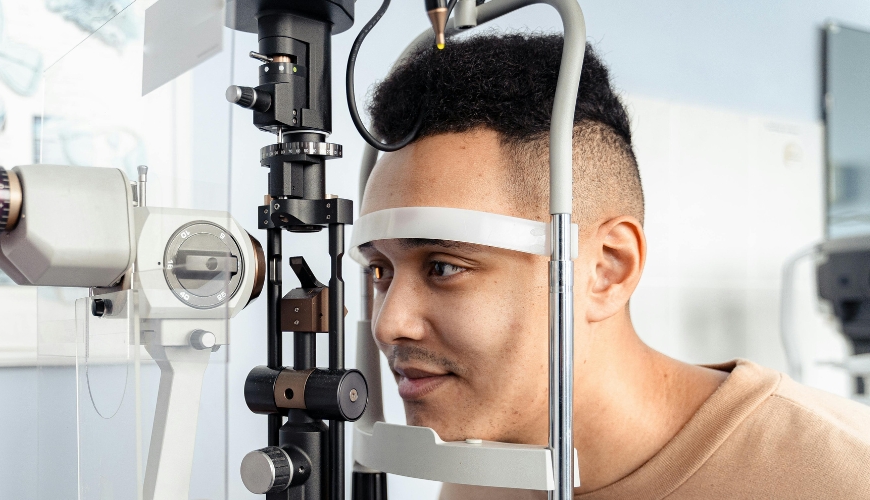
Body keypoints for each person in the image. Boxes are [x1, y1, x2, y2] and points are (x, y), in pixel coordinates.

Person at [354, 33, 870, 499]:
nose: (389, 323)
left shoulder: (844, 475)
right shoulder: (481, 469)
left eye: (443, 266)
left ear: (606, 269)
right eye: (381, 270)